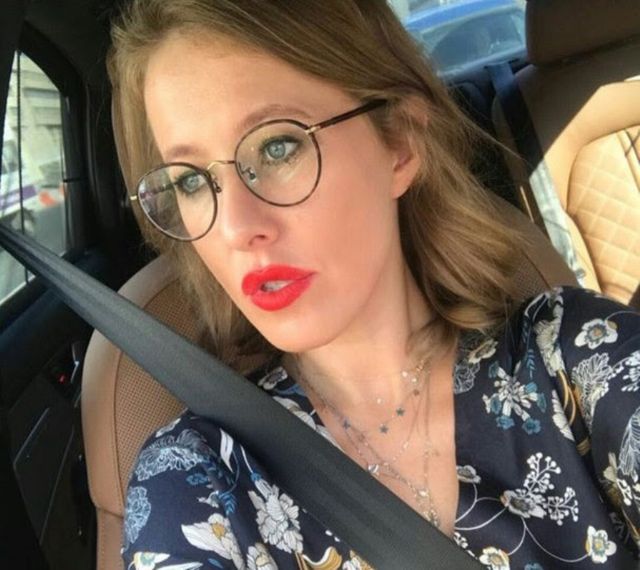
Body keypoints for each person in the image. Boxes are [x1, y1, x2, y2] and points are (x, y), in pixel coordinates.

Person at [108, 1, 640, 568]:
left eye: (277, 147)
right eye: (191, 181)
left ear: (400, 143)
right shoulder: (195, 483)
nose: (237, 228)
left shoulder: (578, 359)